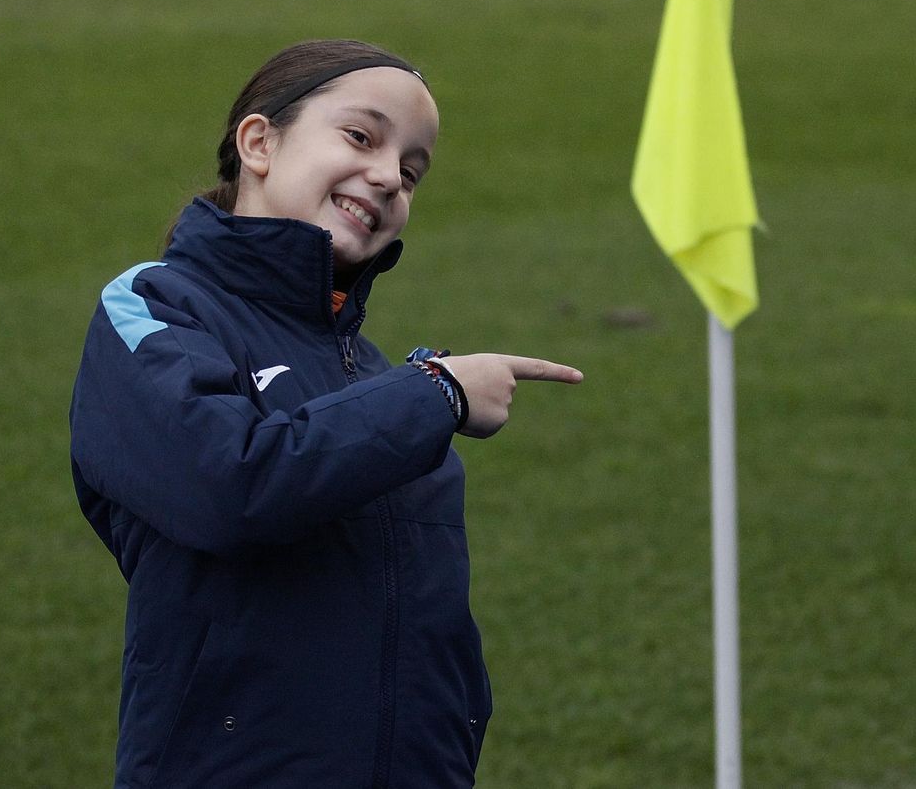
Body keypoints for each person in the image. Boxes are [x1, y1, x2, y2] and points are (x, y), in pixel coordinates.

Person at [69, 39, 582, 787]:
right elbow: (228, 487)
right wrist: (435, 392)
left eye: (410, 172)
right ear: (259, 142)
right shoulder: (153, 306)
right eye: (361, 137)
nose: (387, 178)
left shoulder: (372, 375)